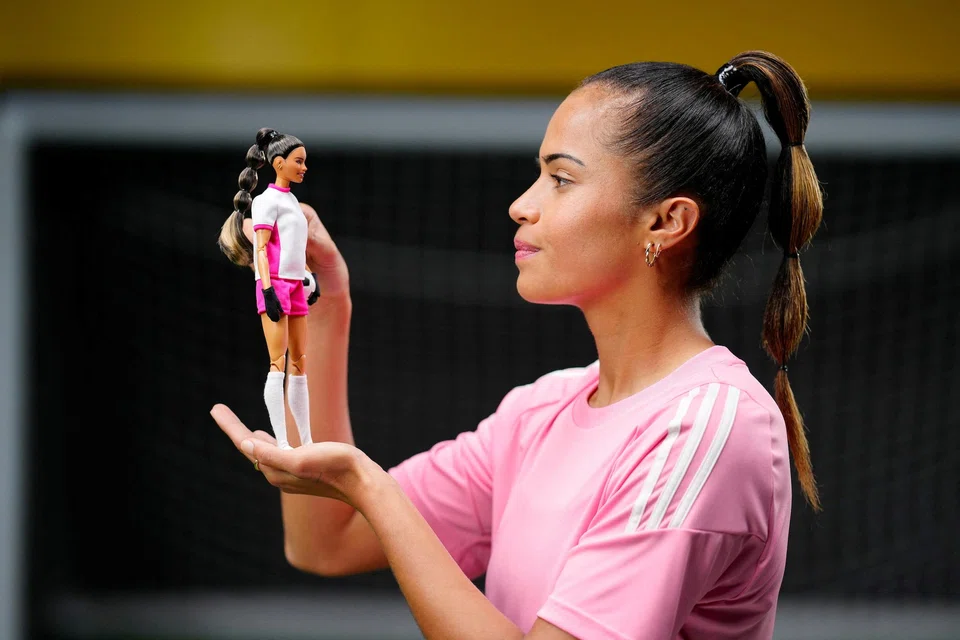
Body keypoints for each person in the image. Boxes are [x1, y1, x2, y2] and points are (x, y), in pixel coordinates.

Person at [211, 49, 823, 639]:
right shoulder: (539, 412)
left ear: (666, 222)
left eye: (560, 179)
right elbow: (326, 539)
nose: (520, 205)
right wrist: (322, 301)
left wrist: (370, 486)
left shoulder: (709, 426)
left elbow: (354, 507)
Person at [218, 128, 320, 450]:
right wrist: (267, 288)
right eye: (298, 162)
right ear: (279, 163)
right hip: (274, 284)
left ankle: (306, 439)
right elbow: (261, 248)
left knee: (300, 360)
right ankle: (283, 442)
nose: (304, 168)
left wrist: (308, 278)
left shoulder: (293, 203)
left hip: (293, 284)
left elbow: (295, 248)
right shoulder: (265, 202)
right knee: (278, 361)